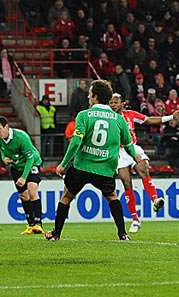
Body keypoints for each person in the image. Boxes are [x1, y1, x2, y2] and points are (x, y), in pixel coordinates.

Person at [46, 80, 138, 241]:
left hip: (82, 166)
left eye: (90, 93)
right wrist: (136, 161)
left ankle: (56, 234)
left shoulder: (83, 115)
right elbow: (129, 145)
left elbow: (75, 142)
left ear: (95, 97)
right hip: (105, 168)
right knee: (112, 197)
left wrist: (63, 164)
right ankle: (122, 234)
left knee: (66, 197)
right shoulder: (118, 119)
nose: (88, 96)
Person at [109, 93, 179, 233]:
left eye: (115, 102)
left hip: (132, 147)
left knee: (143, 169)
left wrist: (171, 117)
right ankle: (135, 219)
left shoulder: (130, 114)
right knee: (126, 182)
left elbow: (149, 120)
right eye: (111, 103)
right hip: (118, 152)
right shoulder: (108, 118)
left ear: (122, 103)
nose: (113, 105)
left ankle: (155, 200)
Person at [0, 116, 43, 235]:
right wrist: (3, 158)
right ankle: (31, 225)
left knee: (32, 190)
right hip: (16, 167)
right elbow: (2, 150)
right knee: (24, 196)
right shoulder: (0, 139)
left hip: (32, 164)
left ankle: (38, 224)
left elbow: (30, 158)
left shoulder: (21, 137)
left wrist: (24, 177)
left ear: (6, 126)